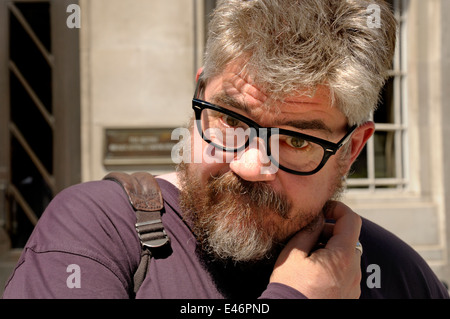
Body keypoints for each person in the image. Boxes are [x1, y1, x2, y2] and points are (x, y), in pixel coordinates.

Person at [3, 0, 449, 299]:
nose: (253, 164)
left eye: (296, 139)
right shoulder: (97, 230)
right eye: (233, 120)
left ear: (353, 148)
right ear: (200, 89)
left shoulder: (396, 275)